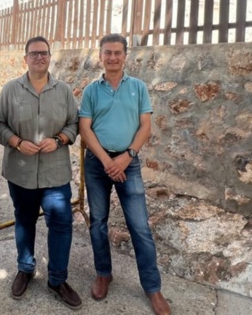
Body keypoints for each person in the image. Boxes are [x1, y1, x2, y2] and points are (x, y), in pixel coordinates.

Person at [78, 33, 172, 315]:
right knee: (98, 223)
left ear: (125, 56)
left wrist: (126, 157)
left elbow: (145, 127)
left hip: (128, 163)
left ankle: (153, 288)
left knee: (140, 227)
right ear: (100, 56)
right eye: (107, 53)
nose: (112, 57)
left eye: (118, 53)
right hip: (98, 164)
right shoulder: (91, 91)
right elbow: (85, 128)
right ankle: (103, 274)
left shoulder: (138, 88)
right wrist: (108, 161)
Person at [0, 36, 82, 310]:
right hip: (20, 172)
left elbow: (74, 124)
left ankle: (57, 279)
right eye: (34, 54)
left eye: (44, 53)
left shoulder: (64, 91)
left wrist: (58, 140)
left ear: (50, 57)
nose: (39, 58)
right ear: (26, 59)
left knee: (61, 224)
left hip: (55, 174)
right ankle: (25, 268)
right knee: (24, 220)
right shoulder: (10, 90)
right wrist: (17, 143)